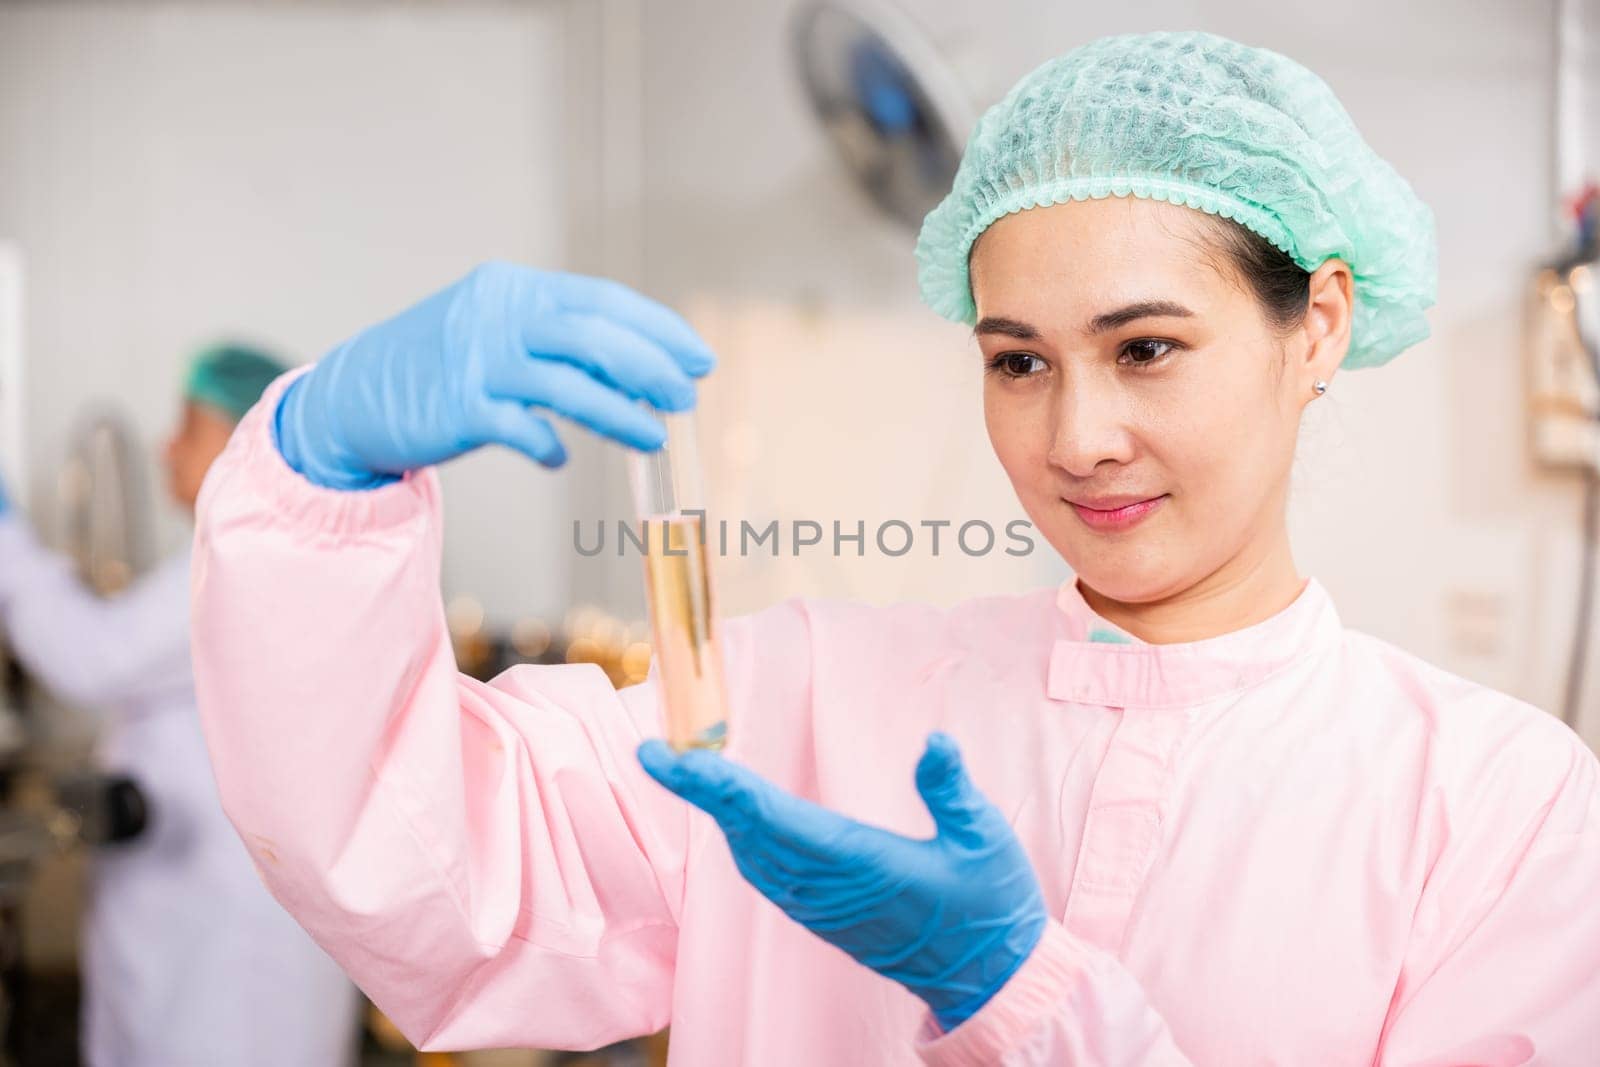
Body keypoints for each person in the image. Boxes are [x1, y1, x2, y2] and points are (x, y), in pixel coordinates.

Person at [190, 32, 1600, 1066]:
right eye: (1018, 361)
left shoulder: (1496, 812)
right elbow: (444, 882)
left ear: (1322, 324)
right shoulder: (798, 696)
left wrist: (1015, 994)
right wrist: (318, 483)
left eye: (1148, 347)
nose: (1078, 435)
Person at [0, 345, 360, 1066]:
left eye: (188, 426)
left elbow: (87, 656)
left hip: (229, 950)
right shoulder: (254, 555)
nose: (166, 446)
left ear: (243, 443)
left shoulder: (243, 561)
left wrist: (9, 540)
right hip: (210, 928)